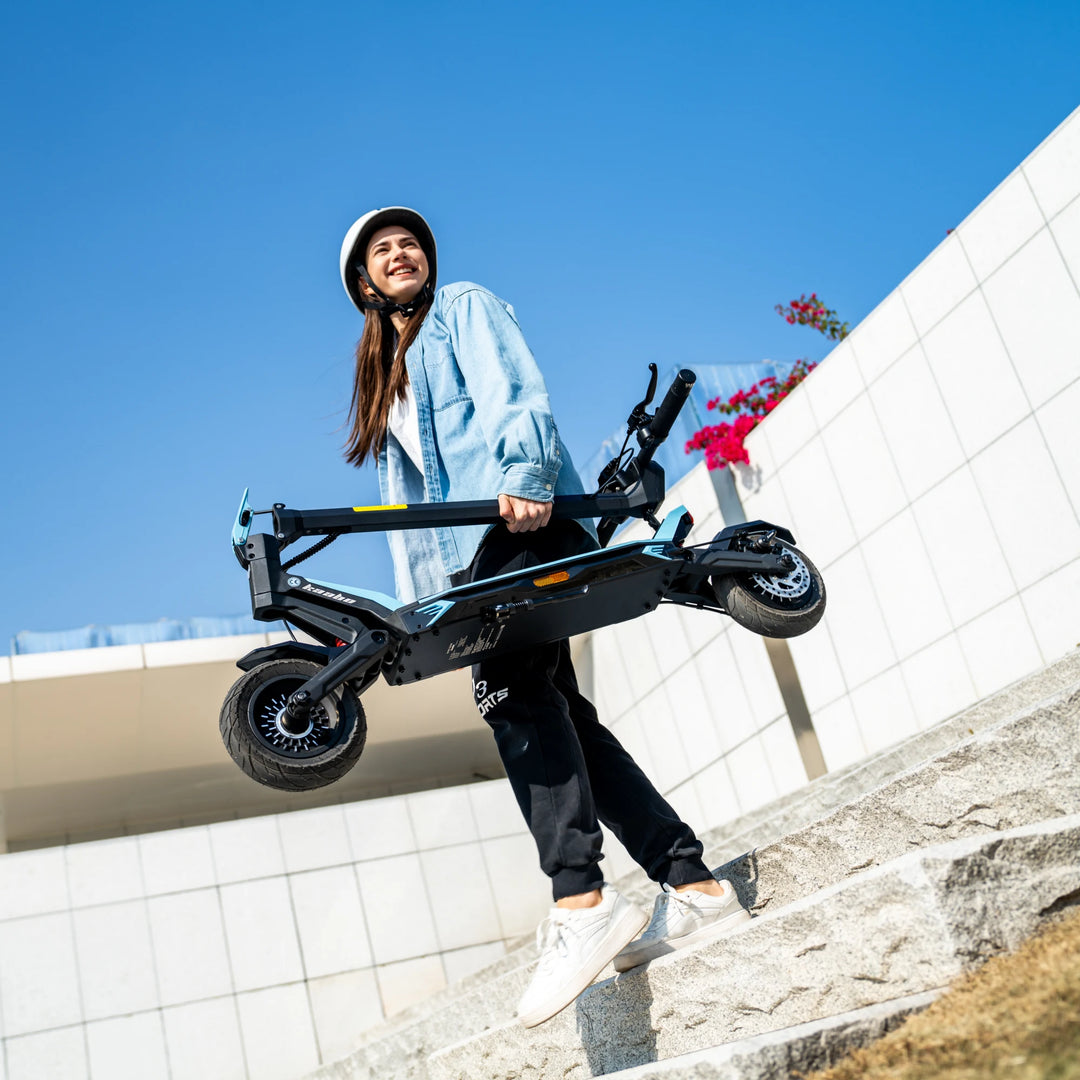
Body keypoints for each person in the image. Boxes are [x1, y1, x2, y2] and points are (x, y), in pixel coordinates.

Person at [338, 207, 749, 1027]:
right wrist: (434, 602)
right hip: (478, 557)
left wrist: (525, 470)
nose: (400, 252)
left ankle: (580, 900)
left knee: (515, 698)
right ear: (362, 285)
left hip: (524, 521)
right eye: (381, 251)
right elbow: (418, 502)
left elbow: (511, 387)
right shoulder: (388, 377)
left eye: (408, 241)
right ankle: (693, 886)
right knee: (567, 720)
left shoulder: (461, 307)